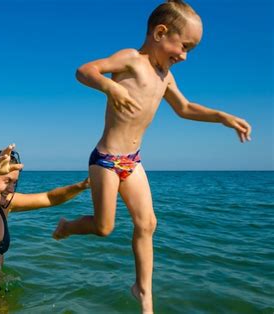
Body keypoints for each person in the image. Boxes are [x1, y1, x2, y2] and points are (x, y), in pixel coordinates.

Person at [52, 0, 252, 312]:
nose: (184, 56)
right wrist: (111, 88)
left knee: (147, 224)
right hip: (105, 160)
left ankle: (143, 292)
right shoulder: (131, 59)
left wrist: (222, 116)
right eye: (183, 46)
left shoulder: (165, 77)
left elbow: (185, 108)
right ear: (160, 32)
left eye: (190, 50)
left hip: (132, 162)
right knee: (105, 228)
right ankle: (67, 226)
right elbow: (84, 71)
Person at [0, 144, 90, 299]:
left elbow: (49, 198)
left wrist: (82, 186)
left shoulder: (5, 206)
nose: (11, 189)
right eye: (7, 180)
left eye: (14, 182)